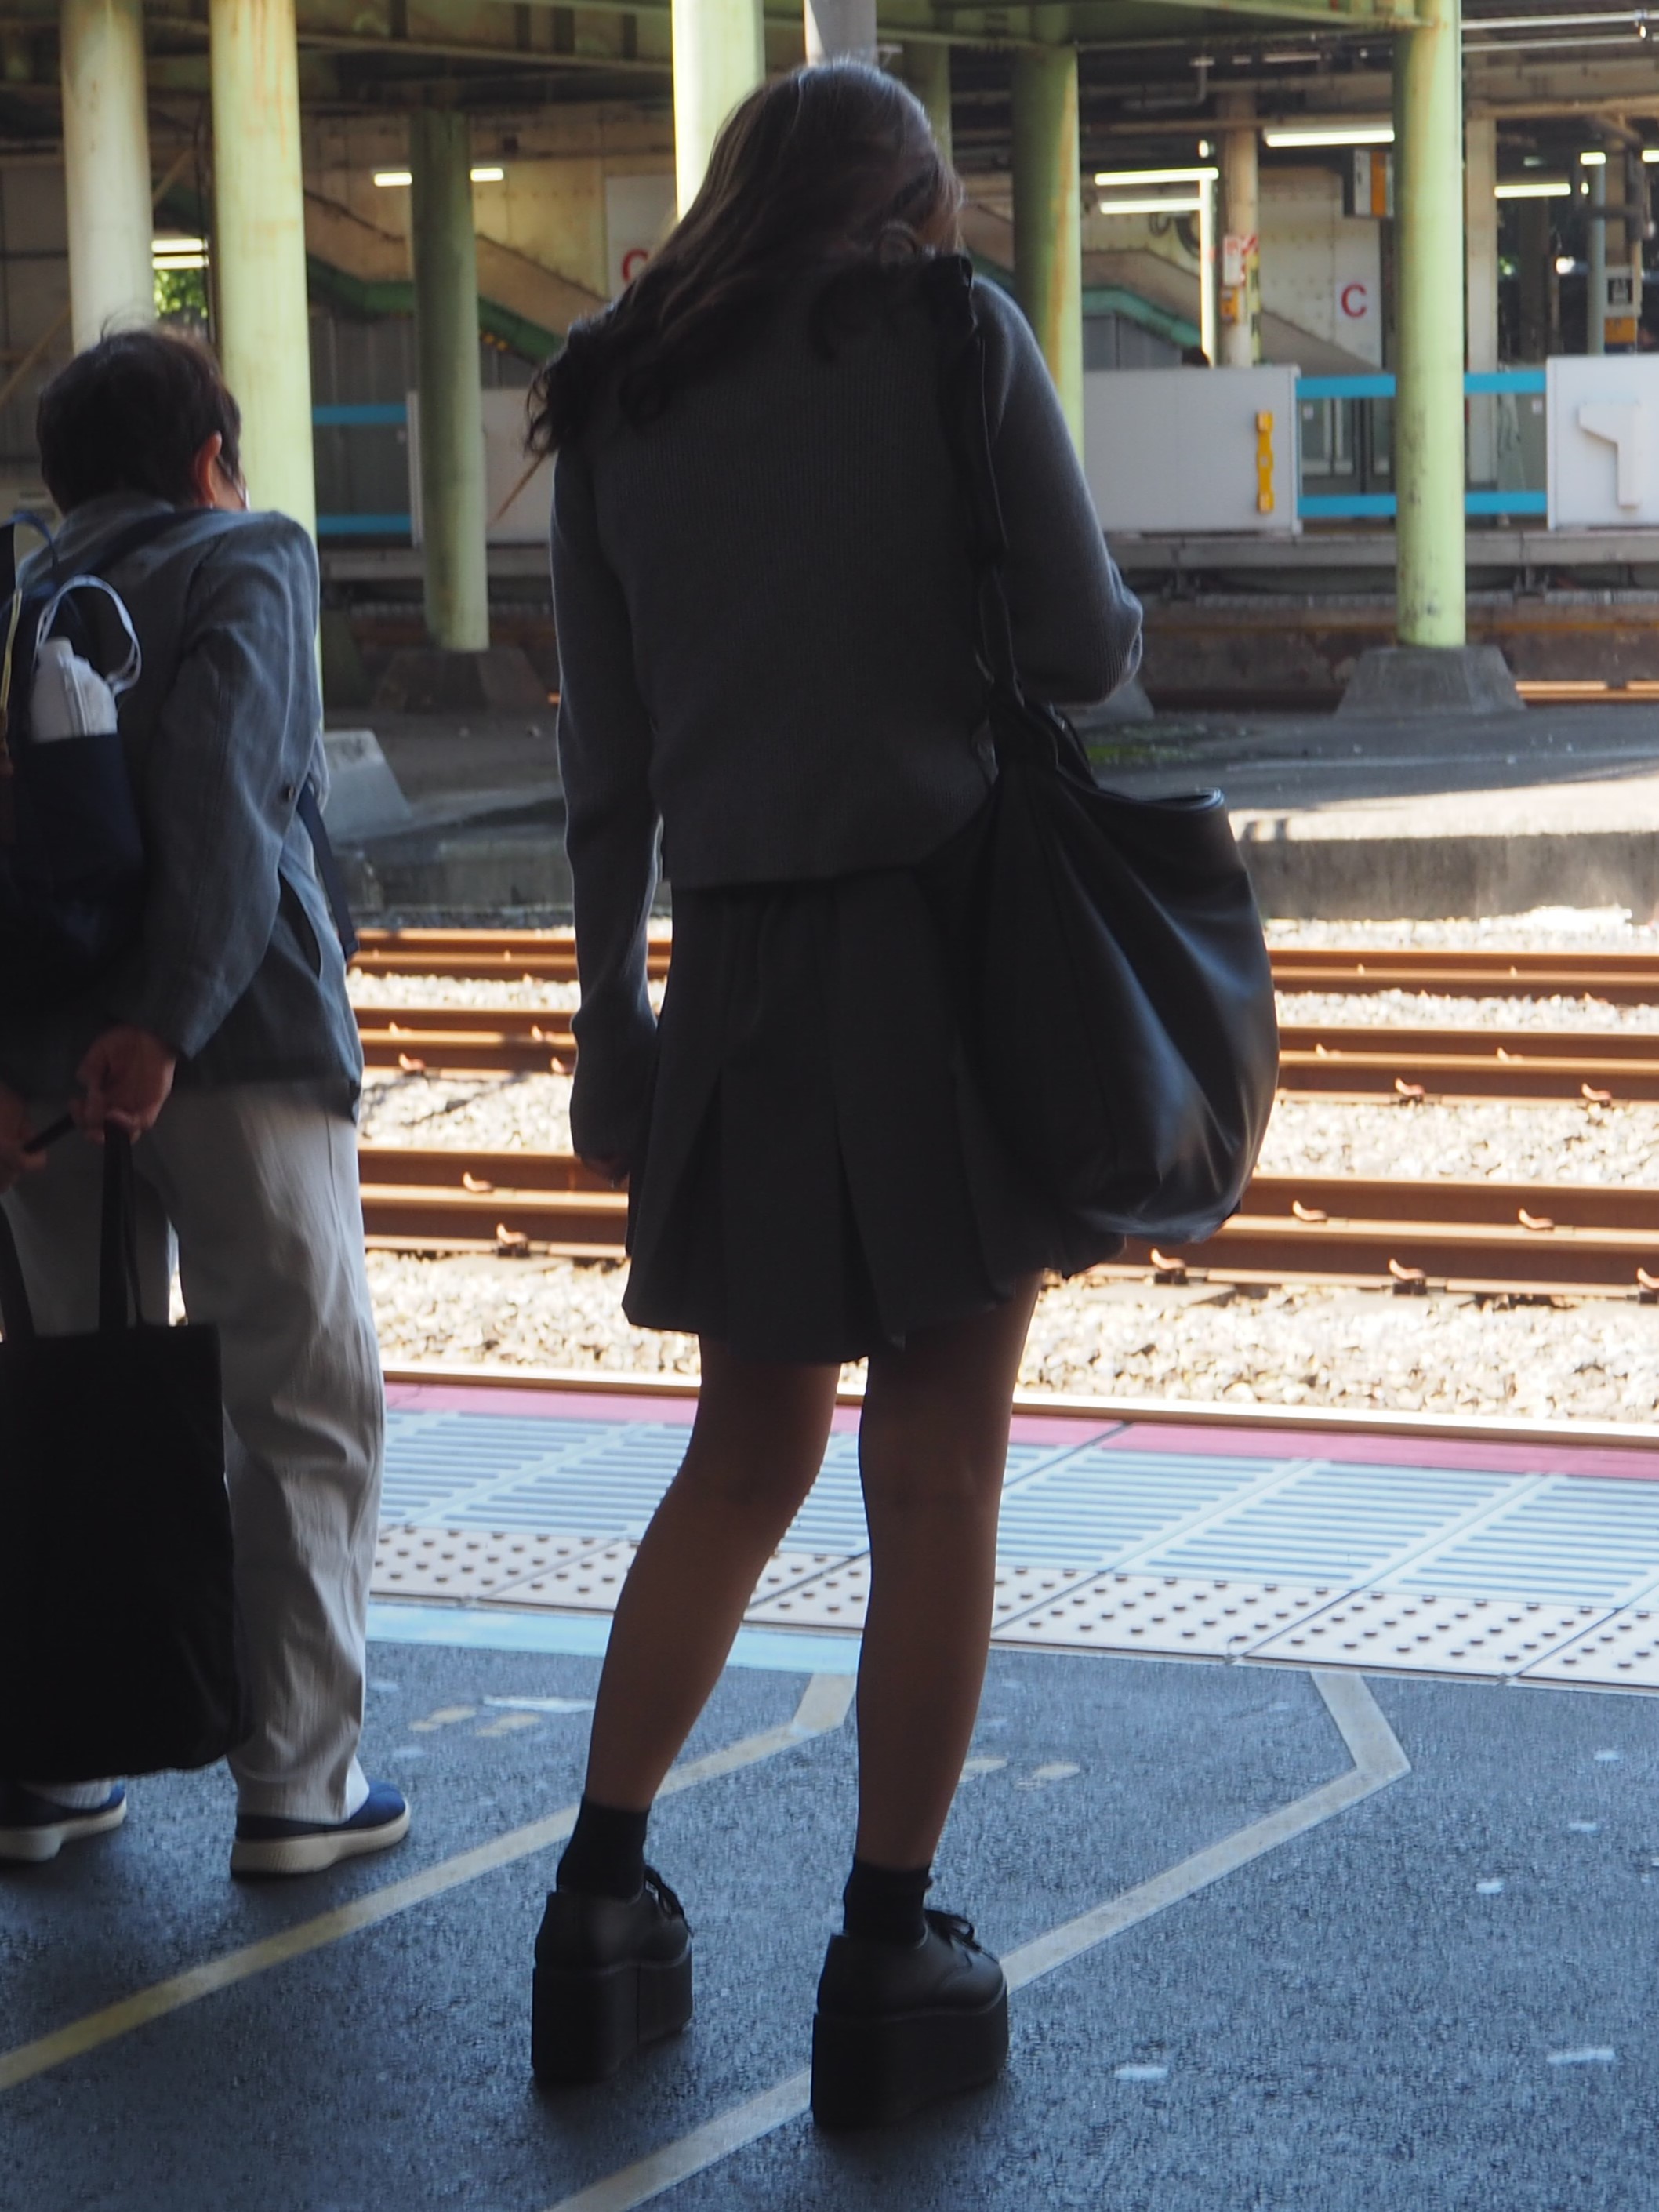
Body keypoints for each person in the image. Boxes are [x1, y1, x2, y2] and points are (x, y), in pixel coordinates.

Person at [529, 62, 1142, 2126]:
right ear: (909, 200)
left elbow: (606, 771)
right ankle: (887, 1949)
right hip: (942, 949)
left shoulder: (615, 388)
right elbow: (1078, 645)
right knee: (936, 1464)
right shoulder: (950, 332)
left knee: (743, 1448)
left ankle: (595, 1905)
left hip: (736, 970)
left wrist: (610, 1018)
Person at [0, 330, 407, 1878]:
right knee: (297, 1397)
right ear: (205, 461)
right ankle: (297, 1781)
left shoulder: (20, 596)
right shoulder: (247, 555)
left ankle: (54, 1756)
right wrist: (167, 1020)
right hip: (234, 1049)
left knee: (67, 1402)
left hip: (39, 1075)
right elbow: (231, 797)